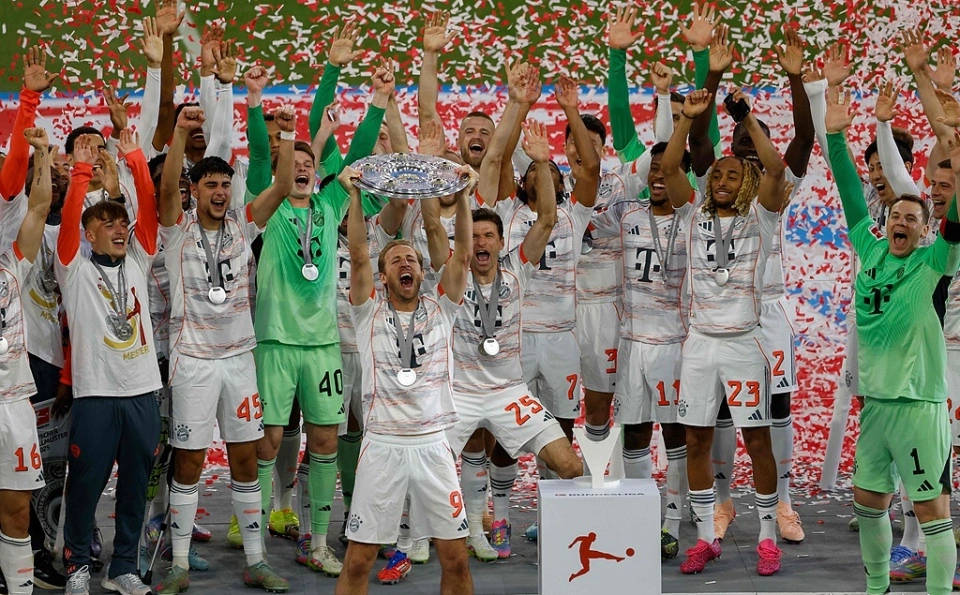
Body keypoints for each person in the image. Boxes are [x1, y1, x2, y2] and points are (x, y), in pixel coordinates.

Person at [253, 60, 395, 578]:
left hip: (323, 345)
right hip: (275, 342)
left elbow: (356, 159)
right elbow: (270, 159)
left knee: (327, 442)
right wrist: (274, 119)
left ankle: (317, 543)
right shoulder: (268, 208)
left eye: (309, 162)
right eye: (293, 162)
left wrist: (377, 103)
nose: (302, 168)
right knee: (269, 440)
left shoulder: (330, 203)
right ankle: (256, 546)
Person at [152, 101, 295, 593]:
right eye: (209, 184)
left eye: (224, 184)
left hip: (238, 361)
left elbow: (281, 187)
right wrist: (179, 133)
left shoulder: (242, 224)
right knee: (189, 463)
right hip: (193, 361)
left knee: (246, 460)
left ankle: (256, 560)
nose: (218, 191)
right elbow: (166, 190)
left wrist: (289, 136)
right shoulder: (176, 230)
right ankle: (179, 564)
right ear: (195, 191)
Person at [825, 83, 960, 595]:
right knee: (867, 500)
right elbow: (849, 191)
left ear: (926, 231)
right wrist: (835, 136)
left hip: (919, 407)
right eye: (896, 217)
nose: (901, 221)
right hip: (877, 407)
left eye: (912, 218)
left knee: (931, 510)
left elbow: (956, 220)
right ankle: (876, 587)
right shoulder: (871, 248)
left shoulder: (934, 262)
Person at [434, 120, 582, 567]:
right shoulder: (453, 275)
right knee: (430, 465)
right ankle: (439, 535)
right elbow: (434, 225)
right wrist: (450, 184)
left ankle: (563, 531)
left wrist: (542, 163)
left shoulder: (518, 269)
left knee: (570, 465)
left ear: (501, 242)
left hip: (509, 392)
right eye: (474, 236)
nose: (481, 242)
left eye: (489, 236)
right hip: (461, 391)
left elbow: (549, 218)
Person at [335, 164, 477, 595]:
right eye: (396, 259)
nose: (405, 263)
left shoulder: (442, 307)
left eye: (411, 259)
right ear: (383, 276)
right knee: (359, 561)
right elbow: (359, 254)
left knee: (455, 558)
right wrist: (355, 195)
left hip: (433, 445)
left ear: (421, 270)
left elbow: (462, 255)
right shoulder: (367, 311)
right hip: (382, 445)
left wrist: (464, 195)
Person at [663, 89, 785, 576]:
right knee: (695, 441)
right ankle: (705, 538)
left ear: (746, 181)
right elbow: (670, 168)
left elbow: (776, 168)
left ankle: (768, 538)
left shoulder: (762, 217)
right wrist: (686, 121)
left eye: (732, 175)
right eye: (716, 174)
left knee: (757, 442)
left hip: (743, 344)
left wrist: (746, 118)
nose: (721, 180)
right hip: (699, 344)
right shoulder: (692, 214)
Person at [56, 129, 159, 595]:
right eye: (108, 223)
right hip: (96, 395)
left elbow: (149, 209)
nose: (120, 229)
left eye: (122, 223)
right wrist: (81, 171)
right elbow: (68, 221)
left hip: (142, 392)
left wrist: (134, 155)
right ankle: (77, 565)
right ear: (89, 233)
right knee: (84, 486)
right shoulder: (74, 268)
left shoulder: (139, 260)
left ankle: (122, 568)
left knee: (135, 487)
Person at [590, 141, 693, 559]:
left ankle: (672, 521)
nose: (658, 176)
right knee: (634, 430)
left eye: (669, 170)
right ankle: (641, 516)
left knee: (674, 432)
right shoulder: (626, 213)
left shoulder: (693, 219)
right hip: (631, 344)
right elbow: (580, 222)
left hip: (673, 345)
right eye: (654, 169)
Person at [0, 126, 55, 595]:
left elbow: (38, 207)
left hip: (13, 401)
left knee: (17, 510)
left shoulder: (13, 261)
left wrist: (42, 157)